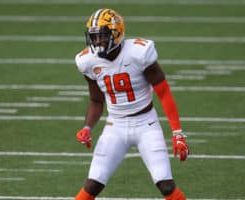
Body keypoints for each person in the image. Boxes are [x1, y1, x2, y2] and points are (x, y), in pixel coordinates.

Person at [74, 8, 190, 200]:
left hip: (146, 124)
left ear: (116, 34)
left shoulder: (139, 53)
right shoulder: (87, 61)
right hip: (115, 126)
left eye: (102, 37)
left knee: (166, 184)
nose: (97, 42)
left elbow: (164, 92)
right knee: (92, 183)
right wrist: (87, 127)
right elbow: (96, 100)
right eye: (93, 37)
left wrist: (177, 132)